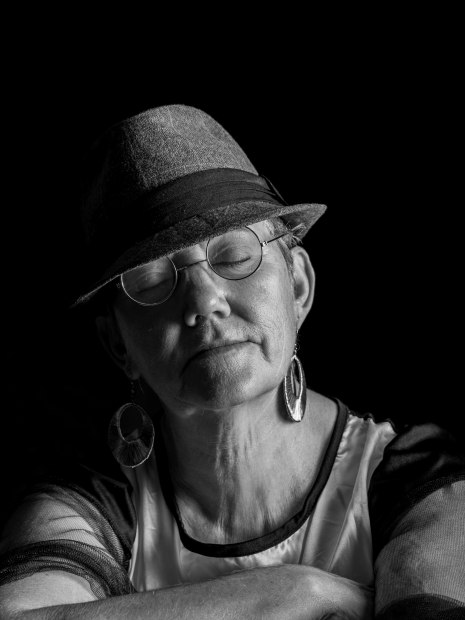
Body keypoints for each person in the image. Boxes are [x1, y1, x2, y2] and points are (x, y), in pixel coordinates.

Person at [0, 104, 463, 619]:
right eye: (151, 279)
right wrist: (296, 594)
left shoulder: (415, 479)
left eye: (235, 256)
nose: (204, 302)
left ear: (299, 286)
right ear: (118, 345)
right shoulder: (88, 508)